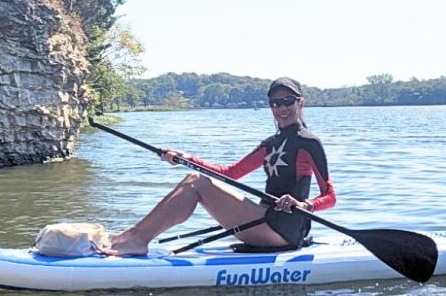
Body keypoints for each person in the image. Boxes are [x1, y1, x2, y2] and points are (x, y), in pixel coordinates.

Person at [104, 77, 336, 256]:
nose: (282, 108)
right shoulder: (270, 144)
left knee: (197, 182)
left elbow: (330, 196)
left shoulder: (309, 142)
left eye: (288, 101)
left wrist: (305, 205)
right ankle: (134, 236)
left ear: (300, 102)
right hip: (264, 220)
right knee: (194, 179)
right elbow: (231, 174)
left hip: (285, 229)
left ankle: (136, 239)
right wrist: (185, 158)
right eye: (275, 103)